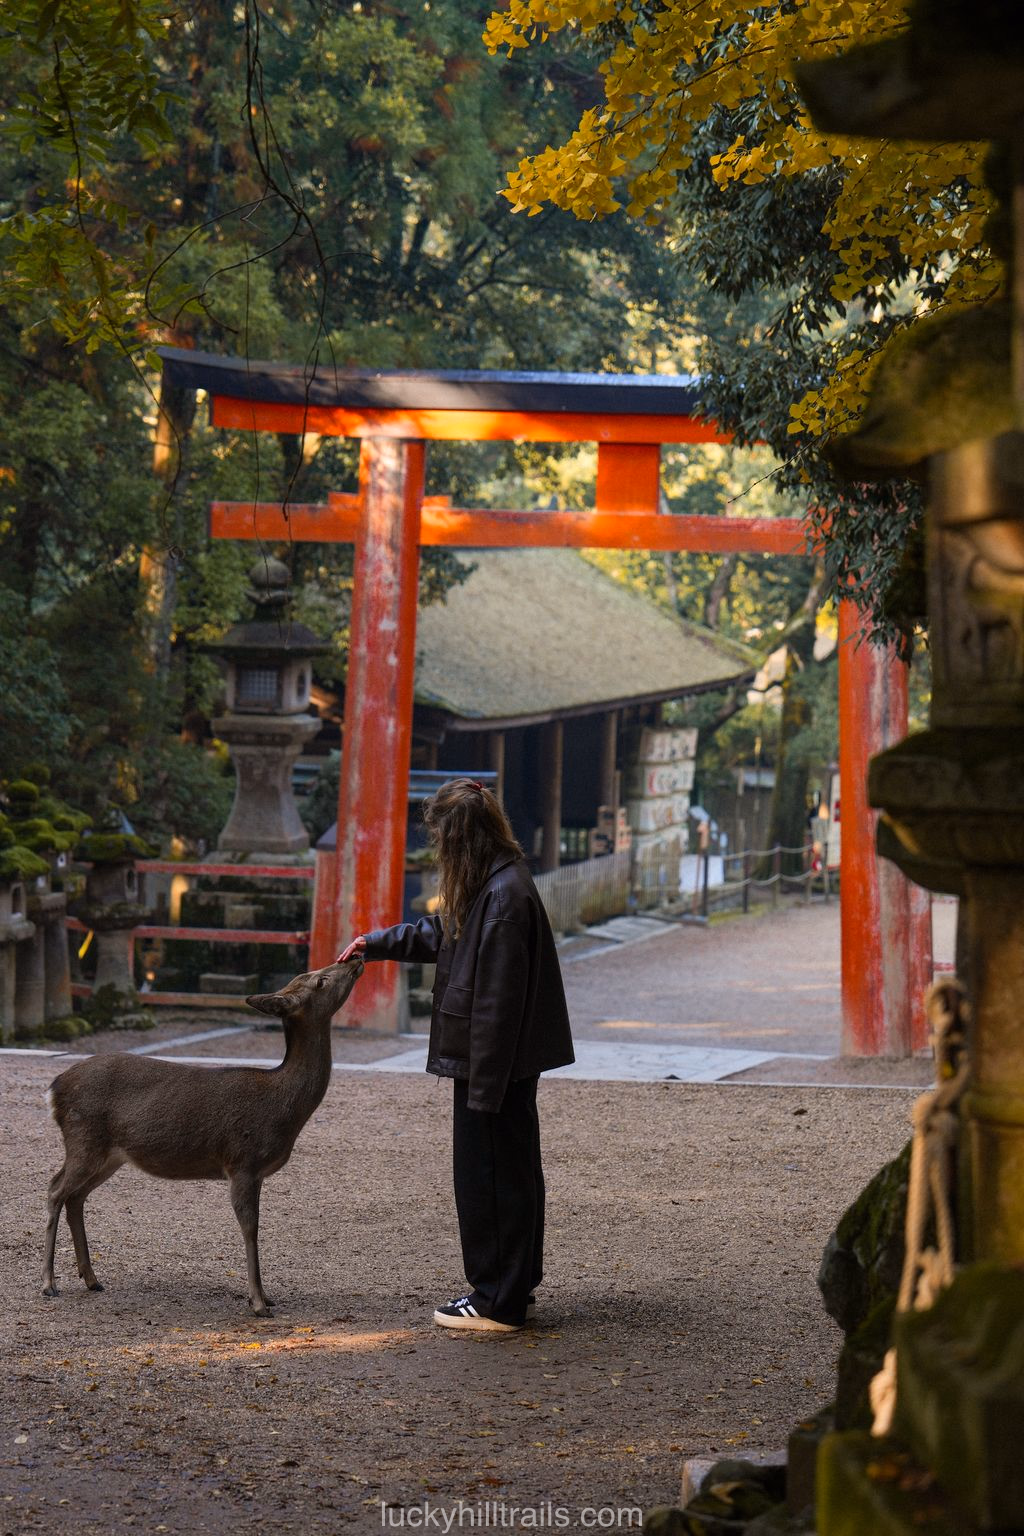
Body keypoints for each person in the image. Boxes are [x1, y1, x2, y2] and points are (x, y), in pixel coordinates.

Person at [337, 777, 574, 1333]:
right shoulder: (498, 885)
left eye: (442, 835)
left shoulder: (503, 898)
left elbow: (497, 1006)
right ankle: (513, 1288)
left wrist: (485, 1091)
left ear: (461, 835)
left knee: (489, 1178)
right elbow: (443, 932)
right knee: (510, 1174)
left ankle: (497, 1299)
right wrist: (377, 943)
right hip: (499, 1064)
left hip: (492, 1064)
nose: (438, 846)